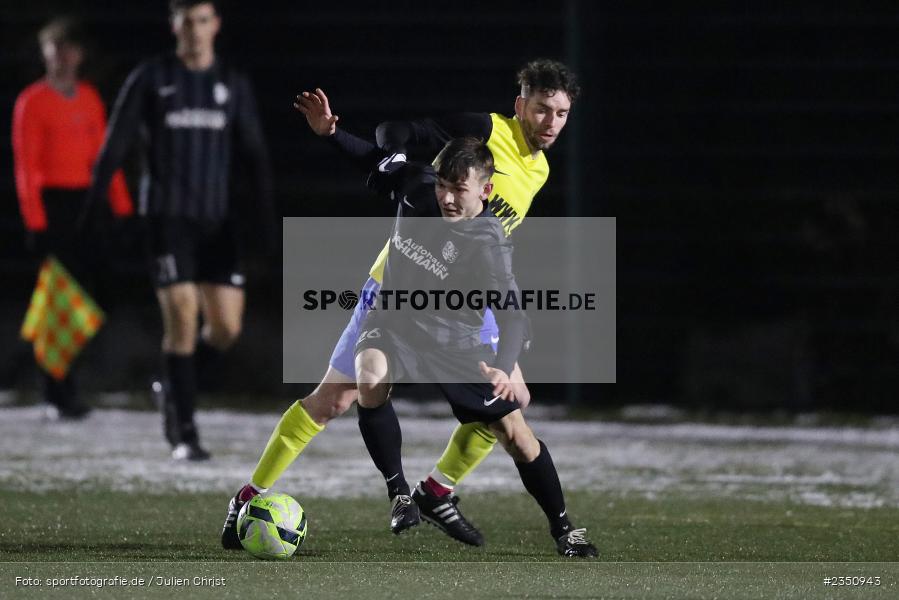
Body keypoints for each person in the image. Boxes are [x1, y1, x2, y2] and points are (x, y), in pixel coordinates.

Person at [220, 59, 579, 548]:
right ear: (520, 106)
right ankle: (247, 496)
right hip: (402, 286)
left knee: (511, 406)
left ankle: (435, 491)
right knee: (335, 398)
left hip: (467, 299)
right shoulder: (481, 131)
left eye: (561, 113)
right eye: (542, 110)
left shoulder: (539, 168)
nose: (552, 123)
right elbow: (397, 134)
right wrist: (371, 153)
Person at [343, 131, 596, 557]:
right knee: (369, 377)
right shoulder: (417, 187)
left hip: (454, 341)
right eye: (443, 186)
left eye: (459, 189)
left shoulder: (488, 243)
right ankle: (401, 495)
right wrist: (331, 133)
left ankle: (565, 530)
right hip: (395, 322)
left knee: (516, 434)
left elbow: (513, 314)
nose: (447, 198)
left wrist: (503, 363)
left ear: (486, 190)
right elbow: (375, 157)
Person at [90, 0, 273, 460]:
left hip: (217, 222)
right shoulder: (152, 78)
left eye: (202, 20)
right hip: (167, 219)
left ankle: (170, 385)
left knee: (227, 328)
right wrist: (95, 207)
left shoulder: (231, 83)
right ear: (174, 25)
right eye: (186, 21)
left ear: (216, 26)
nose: (194, 29)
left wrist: (265, 220)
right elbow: (114, 146)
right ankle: (184, 432)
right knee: (184, 317)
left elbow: (255, 156)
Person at [12, 17, 134, 419]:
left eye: (69, 50)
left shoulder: (89, 98)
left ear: (79, 55)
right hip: (53, 207)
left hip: (88, 205)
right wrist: (35, 220)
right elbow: (26, 165)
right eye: (55, 50)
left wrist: (121, 206)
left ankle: (67, 381)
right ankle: (57, 390)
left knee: (90, 298)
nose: (63, 58)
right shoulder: (31, 100)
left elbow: (105, 159)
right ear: (46, 54)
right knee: (57, 301)